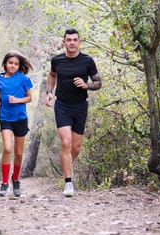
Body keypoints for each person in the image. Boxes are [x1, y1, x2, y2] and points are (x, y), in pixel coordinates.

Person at [45, 28, 102, 197]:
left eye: (74, 40)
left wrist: (87, 85)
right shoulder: (57, 60)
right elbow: (52, 75)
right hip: (62, 105)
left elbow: (98, 82)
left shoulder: (87, 61)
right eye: (68, 40)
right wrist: (49, 92)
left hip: (80, 106)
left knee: (75, 147)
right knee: (66, 142)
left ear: (79, 42)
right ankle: (68, 183)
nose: (71, 42)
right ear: (64, 42)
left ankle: (66, 163)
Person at [0, 51, 33, 197]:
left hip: (21, 118)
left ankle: (15, 179)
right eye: (10, 63)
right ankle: (4, 183)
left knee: (18, 152)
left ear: (19, 66)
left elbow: (29, 98)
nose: (13, 66)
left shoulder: (23, 79)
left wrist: (17, 100)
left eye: (16, 64)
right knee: (8, 148)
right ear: (5, 64)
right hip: (5, 118)